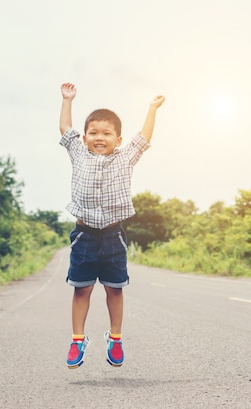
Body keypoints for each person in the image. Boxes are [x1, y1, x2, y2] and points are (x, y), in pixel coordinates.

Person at [59, 82, 165, 369]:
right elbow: (65, 130)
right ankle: (77, 339)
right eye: (93, 133)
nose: (99, 137)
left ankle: (115, 338)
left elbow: (143, 137)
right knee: (81, 289)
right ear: (85, 138)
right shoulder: (78, 154)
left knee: (114, 289)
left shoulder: (125, 158)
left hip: (113, 236)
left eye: (106, 133)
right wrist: (68, 100)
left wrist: (152, 108)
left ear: (118, 139)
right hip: (84, 236)